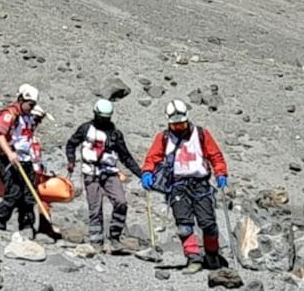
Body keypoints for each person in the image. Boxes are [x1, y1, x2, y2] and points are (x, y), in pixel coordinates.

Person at [140, 99, 229, 273]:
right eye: (175, 125)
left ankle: (212, 255)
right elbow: (153, 157)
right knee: (184, 225)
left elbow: (215, 155)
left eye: (181, 123)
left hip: (200, 184)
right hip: (178, 186)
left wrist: (221, 173)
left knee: (208, 223)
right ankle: (193, 258)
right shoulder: (164, 138)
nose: (179, 127)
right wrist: (147, 172)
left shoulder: (201, 134)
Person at [64, 99, 143, 248]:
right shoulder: (85, 129)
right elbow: (71, 144)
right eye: (101, 117)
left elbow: (125, 157)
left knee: (121, 202)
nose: (103, 121)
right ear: (95, 114)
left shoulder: (115, 135)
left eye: (106, 118)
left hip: (110, 173)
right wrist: (71, 160)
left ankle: (114, 237)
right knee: (95, 208)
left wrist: (141, 174)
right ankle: (96, 242)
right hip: (90, 173)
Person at [0, 84, 41, 234]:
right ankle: (0, 221)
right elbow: (0, 135)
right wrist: (10, 154)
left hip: (26, 159)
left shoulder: (28, 117)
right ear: (21, 99)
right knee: (14, 192)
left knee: (29, 195)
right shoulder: (9, 114)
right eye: (30, 104)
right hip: (9, 159)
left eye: (34, 105)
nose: (32, 107)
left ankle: (26, 225)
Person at [28, 105, 63, 240]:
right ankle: (28, 227)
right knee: (27, 201)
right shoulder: (20, 135)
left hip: (37, 172)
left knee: (44, 200)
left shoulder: (34, 138)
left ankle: (44, 226)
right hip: (26, 171)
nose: (37, 123)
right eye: (36, 119)